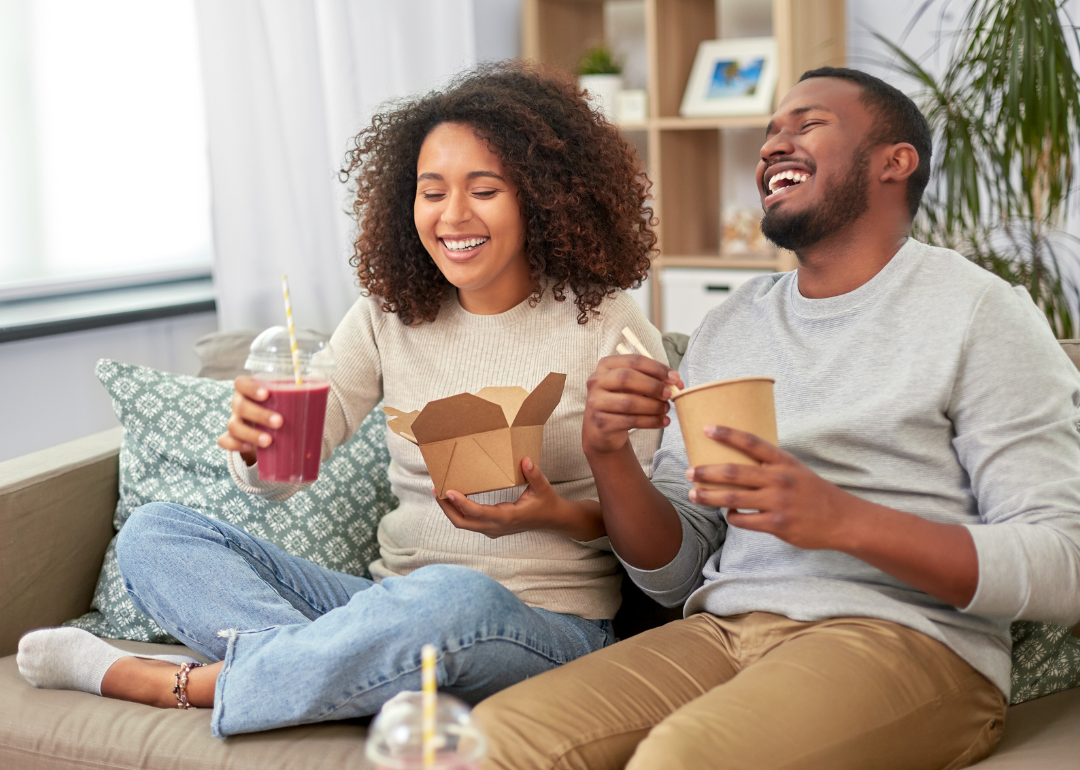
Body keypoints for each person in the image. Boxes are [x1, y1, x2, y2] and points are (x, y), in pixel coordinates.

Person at [17, 61, 666, 738]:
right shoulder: (391, 315)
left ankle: (180, 684)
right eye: (431, 191)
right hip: (385, 603)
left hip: (542, 627)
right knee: (155, 534)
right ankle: (361, 670)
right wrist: (259, 446)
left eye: (484, 190)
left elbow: (657, 541)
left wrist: (557, 515)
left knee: (450, 596)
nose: (453, 216)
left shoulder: (609, 326)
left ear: (539, 196)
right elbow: (286, 470)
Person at [473, 67, 1080, 770]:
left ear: (895, 161)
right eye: (768, 134)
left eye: (808, 125)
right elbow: (674, 574)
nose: (772, 147)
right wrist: (608, 454)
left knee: (681, 761)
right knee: (487, 741)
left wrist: (841, 519)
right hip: (726, 629)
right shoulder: (731, 325)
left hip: (908, 640)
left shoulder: (979, 311)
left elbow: (1065, 561)